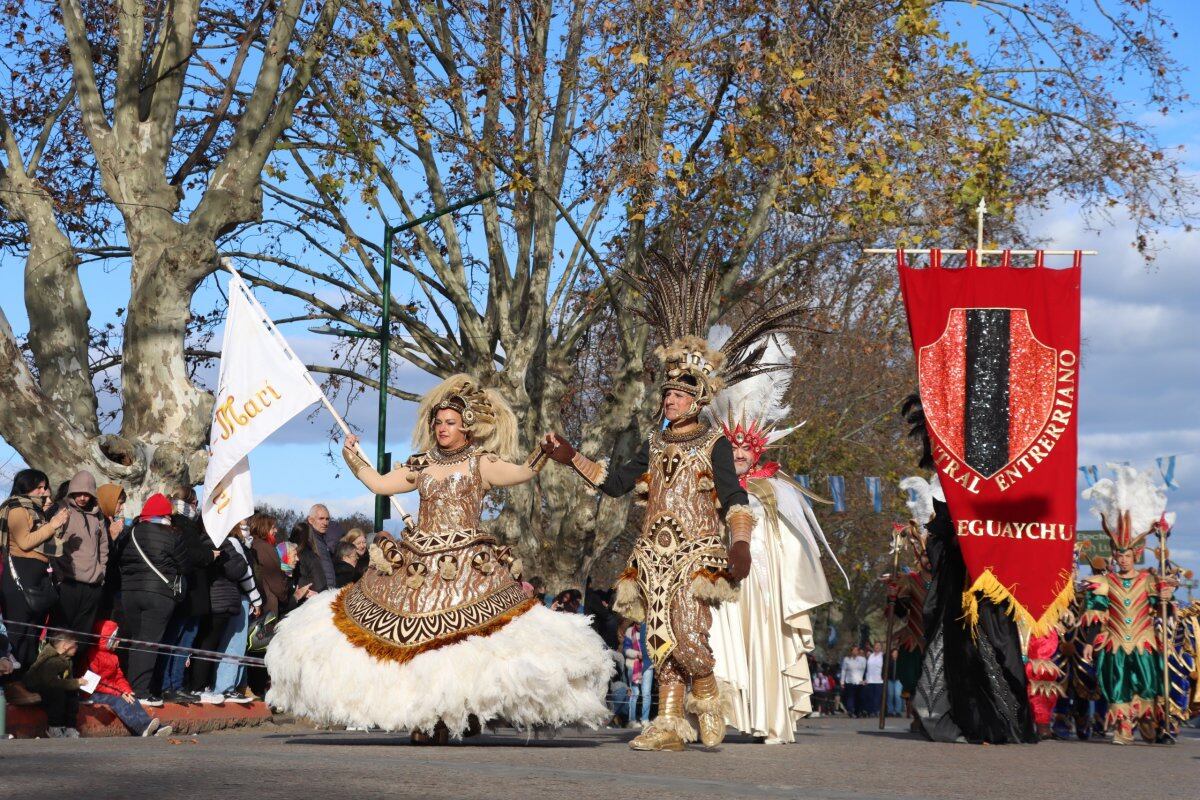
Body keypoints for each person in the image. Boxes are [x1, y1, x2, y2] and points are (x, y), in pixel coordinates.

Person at [543, 248, 812, 751]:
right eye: (665, 394)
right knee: (658, 640)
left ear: (698, 399)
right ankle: (668, 723)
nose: (669, 400)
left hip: (697, 555)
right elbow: (613, 482)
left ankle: (706, 693)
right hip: (653, 556)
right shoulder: (654, 443)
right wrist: (568, 455)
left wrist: (739, 547)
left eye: (678, 395)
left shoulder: (716, 444)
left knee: (689, 637)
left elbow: (735, 499)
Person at [266, 374, 611, 743]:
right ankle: (428, 716)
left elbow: (522, 473)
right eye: (438, 422)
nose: (442, 428)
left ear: (466, 427)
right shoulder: (422, 464)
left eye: (449, 422)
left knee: (466, 643)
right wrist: (353, 458)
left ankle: (460, 711)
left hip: (468, 567)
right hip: (419, 565)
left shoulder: (481, 462)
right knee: (416, 642)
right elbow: (381, 484)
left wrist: (544, 453)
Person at [704, 332, 846, 743]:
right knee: (720, 643)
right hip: (723, 576)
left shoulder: (775, 486)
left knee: (765, 645)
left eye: (744, 450)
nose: (738, 458)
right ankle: (719, 716)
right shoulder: (709, 484)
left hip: (764, 583)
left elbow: (794, 538)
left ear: (758, 449)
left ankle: (770, 720)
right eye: (730, 451)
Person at [902, 396, 1037, 744]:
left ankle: (999, 723)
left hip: (988, 587)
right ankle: (947, 721)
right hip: (953, 591)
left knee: (996, 648)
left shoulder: (998, 486)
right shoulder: (945, 491)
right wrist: (949, 538)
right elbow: (937, 543)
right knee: (949, 651)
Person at [1080, 466, 1177, 745]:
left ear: (1135, 555)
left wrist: (1166, 599)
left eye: (1127, 555)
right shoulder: (1105, 582)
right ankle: (1123, 725)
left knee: (1148, 683)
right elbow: (1095, 613)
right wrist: (1089, 641)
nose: (1122, 560)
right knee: (1116, 683)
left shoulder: (1149, 580)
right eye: (1118, 555)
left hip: (1145, 639)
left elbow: (1164, 608)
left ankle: (1148, 719)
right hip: (1114, 640)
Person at [1, 469, 70, 704]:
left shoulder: (37, 511)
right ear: (25, 487)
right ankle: (12, 686)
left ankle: (27, 683)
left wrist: (55, 526)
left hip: (38, 575)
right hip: (20, 574)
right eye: (38, 487)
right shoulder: (17, 508)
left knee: (32, 633)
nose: (44, 492)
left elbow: (48, 544)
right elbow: (25, 541)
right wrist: (53, 524)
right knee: (19, 633)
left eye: (45, 487)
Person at [118, 493, 190, 705]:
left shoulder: (130, 533)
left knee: (137, 640)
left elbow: (120, 560)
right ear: (166, 514)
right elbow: (185, 566)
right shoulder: (172, 535)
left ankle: (131, 688)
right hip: (159, 594)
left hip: (130, 593)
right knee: (149, 643)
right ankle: (141, 692)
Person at [157, 487, 217, 703]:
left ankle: (175, 684)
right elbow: (191, 554)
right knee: (178, 640)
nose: (197, 506)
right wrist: (210, 554)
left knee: (182, 641)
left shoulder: (184, 524)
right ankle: (169, 685)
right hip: (187, 591)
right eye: (195, 501)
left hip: (191, 592)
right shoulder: (182, 524)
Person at [200, 520, 262, 704]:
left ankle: (232, 685)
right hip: (239, 597)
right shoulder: (234, 542)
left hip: (237, 597)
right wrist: (256, 598)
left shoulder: (240, 543)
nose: (247, 526)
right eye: (243, 522)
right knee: (234, 643)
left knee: (237, 644)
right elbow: (245, 572)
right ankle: (225, 686)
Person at [51, 470, 109, 661]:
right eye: (79, 493)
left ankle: (74, 681)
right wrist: (59, 575)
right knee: (61, 636)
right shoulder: (61, 510)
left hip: (92, 585)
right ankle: (52, 680)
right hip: (68, 582)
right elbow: (51, 544)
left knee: (82, 639)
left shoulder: (97, 516)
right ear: (72, 491)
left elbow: (103, 546)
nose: (83, 498)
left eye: (88, 494)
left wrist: (101, 572)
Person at [85, 619, 173, 737]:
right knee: (118, 701)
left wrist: (126, 690)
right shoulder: (92, 656)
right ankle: (141, 728)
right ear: (107, 640)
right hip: (94, 692)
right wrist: (119, 692)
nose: (119, 641)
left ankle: (154, 728)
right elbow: (96, 683)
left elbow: (119, 677)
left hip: (112, 690)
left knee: (131, 698)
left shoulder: (113, 657)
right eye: (115, 639)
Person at [24, 633, 81, 738]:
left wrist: (75, 684)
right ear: (65, 646)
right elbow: (51, 682)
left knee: (73, 693)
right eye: (75, 644)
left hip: (52, 686)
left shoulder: (67, 660)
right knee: (57, 692)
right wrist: (76, 683)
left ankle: (70, 727)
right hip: (38, 686)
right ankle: (54, 727)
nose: (77, 647)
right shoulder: (51, 660)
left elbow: (67, 680)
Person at [622, 620, 652, 728]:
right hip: (633, 665)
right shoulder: (630, 631)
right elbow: (626, 650)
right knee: (635, 693)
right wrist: (636, 654)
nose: (639, 626)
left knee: (646, 693)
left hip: (648, 665)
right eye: (638, 624)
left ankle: (645, 719)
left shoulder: (651, 631)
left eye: (642, 624)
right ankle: (632, 720)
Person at [290, 521, 331, 599]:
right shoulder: (310, 556)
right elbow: (320, 584)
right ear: (309, 537)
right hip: (309, 600)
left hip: (291, 599)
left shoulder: (286, 553)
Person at [305, 505, 338, 590]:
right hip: (317, 593)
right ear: (310, 520)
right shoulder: (307, 541)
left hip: (326, 591)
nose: (325, 523)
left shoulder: (322, 540)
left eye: (327, 519)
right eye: (321, 518)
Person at [840, 647, 866, 717]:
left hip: (859, 681)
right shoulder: (847, 659)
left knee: (859, 697)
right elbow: (843, 670)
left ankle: (858, 712)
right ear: (851, 651)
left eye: (857, 650)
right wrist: (842, 682)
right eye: (854, 650)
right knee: (850, 697)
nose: (855, 652)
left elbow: (864, 670)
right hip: (850, 681)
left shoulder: (862, 659)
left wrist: (863, 679)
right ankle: (850, 711)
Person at [864, 642, 885, 719]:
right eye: (876, 646)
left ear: (881, 647)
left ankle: (876, 711)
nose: (877, 647)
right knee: (870, 697)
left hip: (879, 680)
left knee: (877, 697)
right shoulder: (870, 655)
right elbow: (867, 669)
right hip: (870, 679)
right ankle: (871, 711)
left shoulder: (882, 656)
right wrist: (866, 679)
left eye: (878, 646)